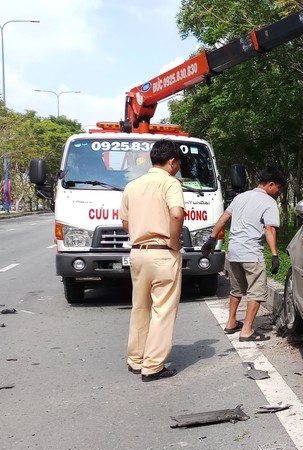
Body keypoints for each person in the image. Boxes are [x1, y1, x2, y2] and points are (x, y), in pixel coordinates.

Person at [120, 139, 186, 382]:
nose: (178, 168)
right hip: (162, 253)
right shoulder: (170, 183)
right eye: (178, 163)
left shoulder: (133, 186)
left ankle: (135, 359)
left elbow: (125, 223)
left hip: (138, 252)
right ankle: (153, 366)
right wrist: (173, 241)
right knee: (163, 310)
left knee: (140, 307)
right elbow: (177, 213)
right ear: (172, 161)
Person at [203, 167, 284, 342]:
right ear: (271, 184)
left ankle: (231, 322)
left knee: (237, 289)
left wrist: (211, 238)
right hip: (251, 253)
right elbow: (269, 229)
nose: (278, 192)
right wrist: (275, 255)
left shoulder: (240, 197)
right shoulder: (269, 202)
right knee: (257, 291)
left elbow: (224, 217)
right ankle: (246, 330)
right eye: (278, 188)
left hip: (234, 252)